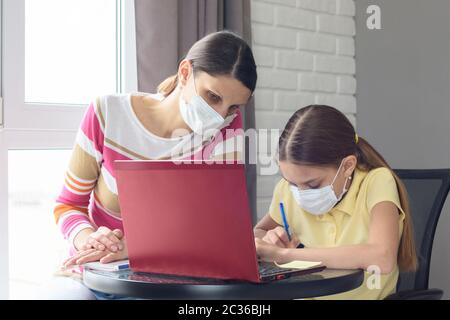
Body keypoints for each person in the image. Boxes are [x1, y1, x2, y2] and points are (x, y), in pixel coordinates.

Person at [48, 30, 257, 299]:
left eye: (232, 107)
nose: (219, 116)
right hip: (92, 274)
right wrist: (89, 238)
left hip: (166, 282)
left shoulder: (227, 130)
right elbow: (68, 204)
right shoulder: (107, 113)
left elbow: (212, 233)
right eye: (213, 97)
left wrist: (132, 248)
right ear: (185, 73)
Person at [254, 105, 417, 300]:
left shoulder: (376, 182)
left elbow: (381, 257)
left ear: (347, 166)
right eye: (292, 183)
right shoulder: (287, 191)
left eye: (312, 185)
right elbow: (258, 233)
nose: (301, 194)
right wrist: (270, 239)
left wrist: (283, 255)